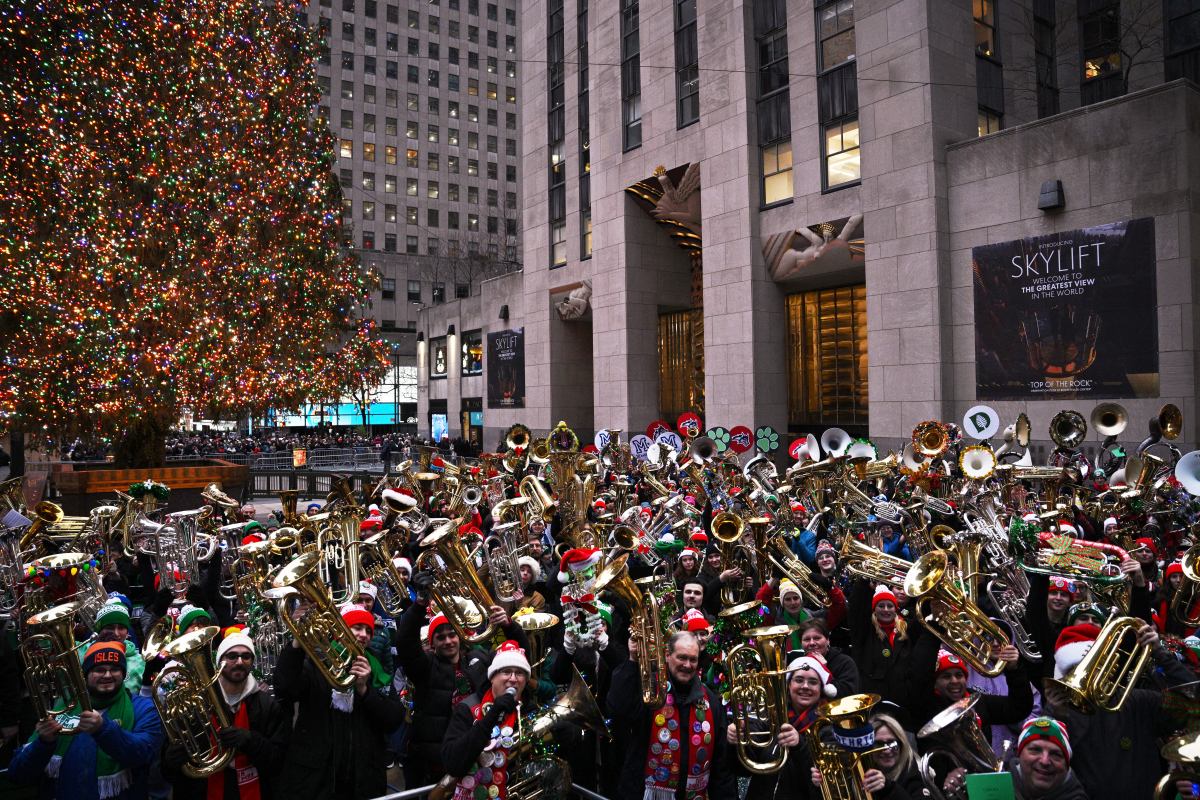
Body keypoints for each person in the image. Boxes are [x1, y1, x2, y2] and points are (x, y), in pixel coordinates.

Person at [395, 588, 531, 788]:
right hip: (435, 761)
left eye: (452, 635)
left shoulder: (480, 658)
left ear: (460, 636)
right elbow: (405, 644)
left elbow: (518, 658)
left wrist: (509, 626)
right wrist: (419, 605)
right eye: (440, 637)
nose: (448, 641)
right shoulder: (425, 666)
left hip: (476, 753)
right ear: (432, 643)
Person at [1042, 621, 1194, 799]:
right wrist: (1056, 714)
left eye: (1095, 666)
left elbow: (1192, 702)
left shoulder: (1140, 701)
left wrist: (1160, 654)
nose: (1089, 674)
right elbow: (1044, 764)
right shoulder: (1060, 710)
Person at [272, 603, 405, 798]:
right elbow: (285, 687)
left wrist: (364, 690)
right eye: (357, 628)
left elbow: (393, 719)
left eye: (368, 631)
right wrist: (298, 642)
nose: (364, 635)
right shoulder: (317, 663)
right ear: (341, 631)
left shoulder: (375, 670)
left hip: (362, 779)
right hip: (317, 779)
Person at [9, 637, 164, 799]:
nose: (107, 675)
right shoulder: (62, 708)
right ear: (85, 675)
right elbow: (17, 773)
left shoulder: (143, 708)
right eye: (99, 670)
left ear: (123, 674)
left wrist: (103, 729)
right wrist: (43, 743)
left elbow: (144, 754)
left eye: (115, 669)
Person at [609, 630, 737, 799]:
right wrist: (633, 661)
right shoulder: (650, 693)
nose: (688, 665)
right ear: (668, 655)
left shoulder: (711, 702)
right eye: (682, 657)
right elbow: (618, 709)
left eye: (693, 659)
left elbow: (721, 766)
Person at [162, 630, 288, 799]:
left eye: (246, 656)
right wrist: (171, 761)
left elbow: (278, 762)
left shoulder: (267, 705)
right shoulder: (194, 704)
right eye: (232, 656)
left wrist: (251, 741)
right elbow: (168, 771)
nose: (239, 662)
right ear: (219, 661)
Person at [733, 653, 844, 800]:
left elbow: (824, 788)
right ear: (789, 684)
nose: (805, 686)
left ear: (821, 689)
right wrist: (739, 737)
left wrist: (800, 745)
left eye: (813, 682)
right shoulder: (771, 716)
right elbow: (744, 768)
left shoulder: (829, 728)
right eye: (799, 680)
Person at [439, 640, 536, 799]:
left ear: (525, 680)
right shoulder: (467, 708)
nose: (513, 679)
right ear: (492, 677)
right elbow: (452, 763)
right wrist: (491, 716)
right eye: (506, 671)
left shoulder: (529, 711)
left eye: (519, 673)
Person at [1006, 717, 1088, 800]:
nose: (1045, 761)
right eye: (1035, 750)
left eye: (1055, 754)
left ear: (1066, 765)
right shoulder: (997, 792)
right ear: (1019, 754)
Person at [794, 619, 859, 697]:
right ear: (801, 643)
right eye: (807, 639)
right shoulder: (797, 664)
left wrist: (823, 670)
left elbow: (848, 695)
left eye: (817, 638)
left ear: (828, 640)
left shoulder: (845, 662)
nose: (812, 643)